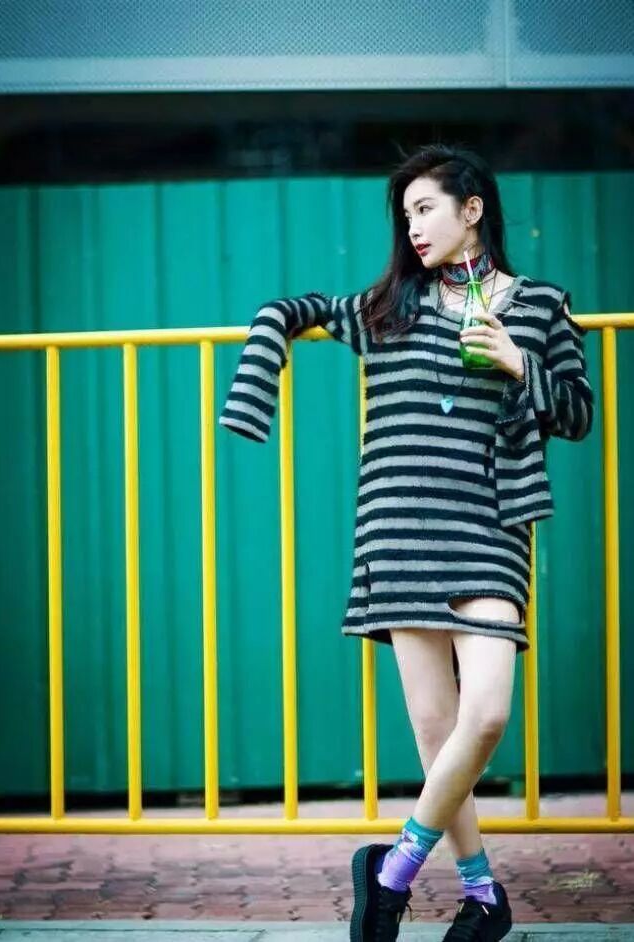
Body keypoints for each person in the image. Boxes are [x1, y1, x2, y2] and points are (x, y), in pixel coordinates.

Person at [218, 143, 594, 942]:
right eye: (405, 214)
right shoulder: (391, 305)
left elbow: (575, 413)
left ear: (472, 209)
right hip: (398, 528)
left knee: (483, 716)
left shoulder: (539, 306)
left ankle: (391, 871)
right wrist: (254, 389)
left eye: (425, 208)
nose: (412, 226)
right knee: (433, 728)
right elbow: (289, 310)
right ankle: (482, 896)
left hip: (488, 525)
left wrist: (516, 361)